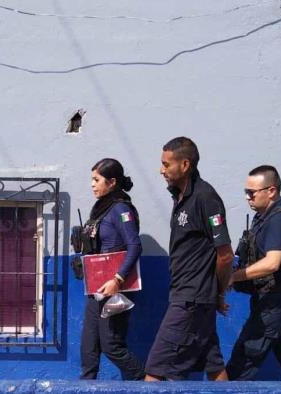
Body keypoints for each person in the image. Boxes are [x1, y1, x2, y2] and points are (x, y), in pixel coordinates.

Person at [144, 137, 233, 381]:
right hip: (191, 297)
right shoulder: (180, 196)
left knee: (155, 371)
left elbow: (225, 254)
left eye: (166, 164)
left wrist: (219, 292)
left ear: (185, 165)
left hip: (191, 300)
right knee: (213, 365)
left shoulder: (206, 197)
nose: (161, 170)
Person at [226, 165, 281, 381]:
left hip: (275, 300)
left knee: (245, 356)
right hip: (269, 298)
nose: (247, 197)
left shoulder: (280, 220)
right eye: (246, 192)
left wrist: (232, 277)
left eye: (251, 192)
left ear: (271, 191)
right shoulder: (263, 217)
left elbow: (272, 263)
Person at [79, 158, 145, 380]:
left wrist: (117, 279)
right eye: (92, 179)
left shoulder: (121, 209)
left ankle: (145, 380)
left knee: (111, 345)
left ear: (112, 182)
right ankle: (86, 385)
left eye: (97, 180)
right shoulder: (101, 209)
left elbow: (134, 246)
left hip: (114, 288)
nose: (92, 184)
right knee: (89, 347)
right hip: (95, 287)